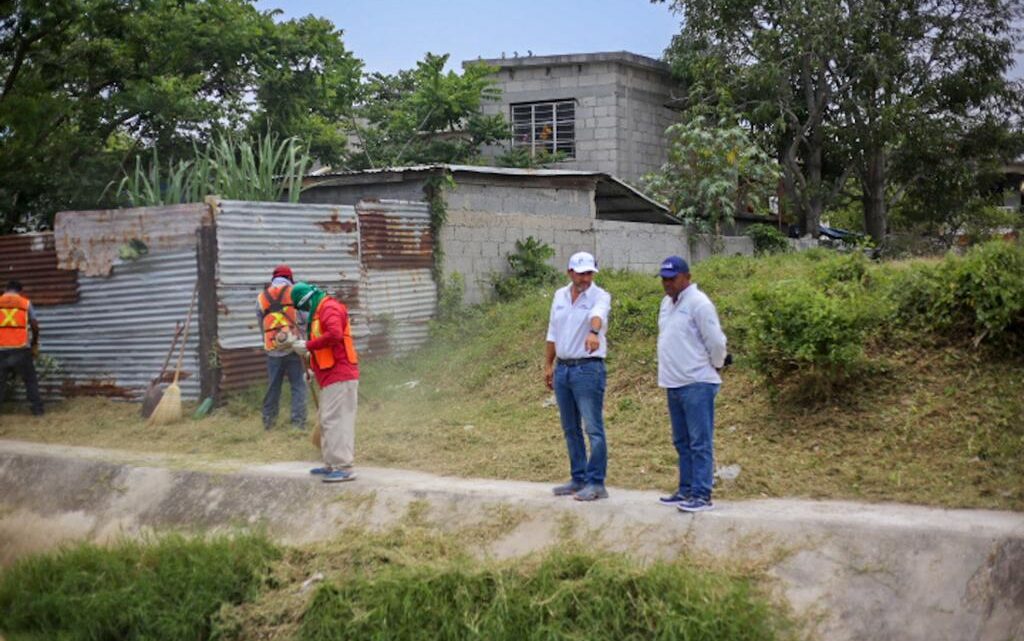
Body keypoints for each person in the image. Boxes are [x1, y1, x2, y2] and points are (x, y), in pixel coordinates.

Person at [656, 256, 727, 513]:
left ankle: (701, 494)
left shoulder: (699, 303)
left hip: (697, 382)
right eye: (664, 278)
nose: (667, 283)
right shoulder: (666, 304)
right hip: (673, 383)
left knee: (700, 442)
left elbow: (716, 342)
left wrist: (716, 364)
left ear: (687, 277)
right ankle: (685, 489)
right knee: (682, 441)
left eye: (672, 278)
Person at [544, 251, 612, 501]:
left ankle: (596, 483)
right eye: (581, 273)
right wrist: (548, 365)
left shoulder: (599, 295)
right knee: (570, 428)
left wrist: (594, 332)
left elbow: (598, 315)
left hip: (587, 369)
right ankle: (578, 478)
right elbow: (553, 331)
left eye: (589, 273)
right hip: (563, 369)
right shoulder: (559, 296)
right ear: (569, 272)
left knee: (593, 428)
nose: (586, 278)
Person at [289, 282, 359, 483]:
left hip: (341, 374)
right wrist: (312, 369)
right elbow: (324, 347)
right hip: (329, 375)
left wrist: (308, 345)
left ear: (307, 300)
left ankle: (344, 467)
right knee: (326, 420)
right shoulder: (319, 311)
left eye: (303, 307)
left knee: (337, 420)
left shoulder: (329, 308)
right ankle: (330, 464)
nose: (303, 312)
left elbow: (335, 335)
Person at [256, 264, 306, 431]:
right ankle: (298, 424)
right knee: (298, 385)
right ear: (290, 279)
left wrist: (270, 341)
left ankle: (269, 423)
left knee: (273, 387)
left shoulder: (262, 297)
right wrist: (304, 341)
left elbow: (261, 324)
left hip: (273, 350)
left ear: (274, 278)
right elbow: (304, 318)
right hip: (293, 347)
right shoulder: (295, 293)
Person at [0, 280, 44, 416]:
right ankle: (37, 411)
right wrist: (34, 342)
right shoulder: (25, 303)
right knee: (30, 380)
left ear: (6, 289)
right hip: (20, 348)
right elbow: (35, 325)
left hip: (1, 348)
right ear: (20, 291)